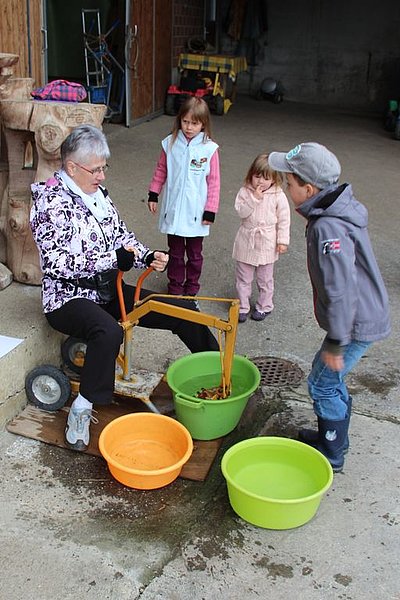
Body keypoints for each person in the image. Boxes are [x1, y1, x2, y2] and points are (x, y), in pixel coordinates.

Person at [30, 124, 219, 452]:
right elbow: (57, 264)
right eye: (96, 169)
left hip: (107, 288)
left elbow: (122, 236)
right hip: (67, 297)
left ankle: (218, 374)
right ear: (72, 167)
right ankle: (81, 408)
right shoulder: (49, 203)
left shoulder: (97, 195)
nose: (102, 176)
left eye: (104, 167)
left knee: (182, 309)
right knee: (108, 332)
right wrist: (112, 259)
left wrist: (146, 255)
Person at [268, 142, 390, 472]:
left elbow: (340, 290)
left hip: (353, 322)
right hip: (356, 317)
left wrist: (336, 340)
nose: (286, 188)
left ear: (308, 189)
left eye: (289, 183)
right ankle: (333, 438)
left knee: (321, 384)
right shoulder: (334, 210)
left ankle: (332, 449)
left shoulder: (328, 227)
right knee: (327, 378)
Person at [148, 96, 220, 297]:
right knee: (176, 252)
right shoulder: (170, 143)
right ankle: (175, 285)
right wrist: (153, 193)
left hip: (197, 213)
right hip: (173, 210)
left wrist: (210, 210)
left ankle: (192, 285)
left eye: (194, 123)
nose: (189, 127)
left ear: (203, 124)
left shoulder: (209, 149)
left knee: (195, 254)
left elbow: (214, 182)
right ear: (179, 120)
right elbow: (161, 170)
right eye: (185, 121)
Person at [232, 153, 290, 323]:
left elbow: (284, 219)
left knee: (265, 278)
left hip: (267, 241)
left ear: (273, 179)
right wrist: (254, 199)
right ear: (251, 174)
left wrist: (282, 241)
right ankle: (242, 306)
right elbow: (241, 212)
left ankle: (264, 306)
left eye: (266, 178)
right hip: (247, 239)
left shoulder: (278, 195)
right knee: (243, 277)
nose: (260, 182)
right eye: (257, 176)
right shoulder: (244, 192)